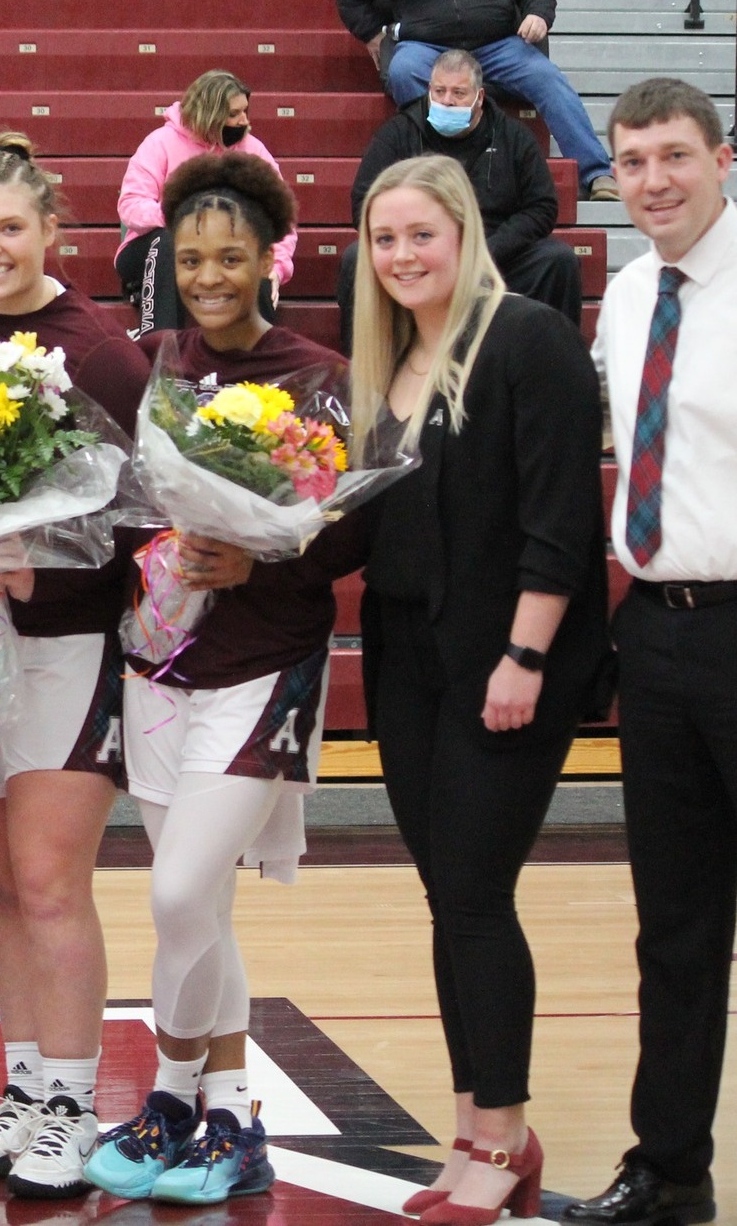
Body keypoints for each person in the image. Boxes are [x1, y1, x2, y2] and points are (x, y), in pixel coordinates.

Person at [83, 152, 364, 1207]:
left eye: (228, 256)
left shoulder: (317, 375)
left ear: (266, 259)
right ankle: (221, 1119)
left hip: (263, 666)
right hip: (155, 661)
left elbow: (351, 528)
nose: (207, 273)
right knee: (197, 906)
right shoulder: (153, 362)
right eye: (189, 256)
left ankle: (177, 1095)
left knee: (173, 890)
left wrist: (266, 554)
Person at [351, 154, 610, 1225]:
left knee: (472, 890)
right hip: (406, 658)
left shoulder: (525, 340)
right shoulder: (388, 361)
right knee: (444, 893)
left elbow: (561, 517)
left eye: (420, 234)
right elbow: (361, 529)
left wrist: (524, 655)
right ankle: (472, 1126)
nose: (401, 255)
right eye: (382, 238)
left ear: (463, 234)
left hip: (505, 661)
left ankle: (499, 1134)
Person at [0, 133, 151, 1200]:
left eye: (8, 227)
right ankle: (21, 1087)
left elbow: (142, 523)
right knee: (3, 882)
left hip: (68, 649)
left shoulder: (99, 351)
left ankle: (72, 1100)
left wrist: (41, 570)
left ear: (53, 231)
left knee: (54, 884)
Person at [561, 76, 737, 1226]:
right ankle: (667, 1168)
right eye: (630, 162)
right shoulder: (623, 295)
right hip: (659, 632)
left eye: (672, 155)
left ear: (723, 160)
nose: (653, 181)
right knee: (673, 927)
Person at [335, 0, 617, 201]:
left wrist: (538, 14)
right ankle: (434, 173)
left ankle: (595, 173)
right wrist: (371, 32)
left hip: (497, 44)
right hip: (427, 45)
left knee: (547, 78)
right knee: (403, 71)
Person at [338, 50, 580, 337]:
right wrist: (416, 244)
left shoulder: (514, 137)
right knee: (356, 258)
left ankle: (553, 367)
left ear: (479, 97)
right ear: (429, 91)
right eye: (439, 91)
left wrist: (486, 250)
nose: (447, 100)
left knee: (558, 260)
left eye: (458, 93)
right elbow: (364, 201)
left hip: (494, 253)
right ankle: (364, 373)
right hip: (417, 252)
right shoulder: (400, 133)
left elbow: (542, 207)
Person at [117, 70, 296, 335]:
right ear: (209, 114)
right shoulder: (161, 142)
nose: (244, 120)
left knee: (255, 257)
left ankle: (254, 364)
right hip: (157, 247)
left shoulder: (253, 149)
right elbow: (131, 205)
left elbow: (281, 216)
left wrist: (277, 268)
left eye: (245, 111)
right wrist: (182, 219)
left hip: (225, 247)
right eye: (234, 114)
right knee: (169, 240)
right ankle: (161, 351)